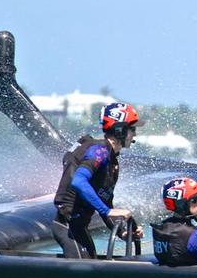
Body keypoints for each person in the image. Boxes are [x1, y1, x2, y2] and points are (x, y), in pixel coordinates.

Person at [52, 101, 143, 259]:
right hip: (67, 225)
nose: (134, 134)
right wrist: (107, 211)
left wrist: (122, 231)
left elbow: (105, 201)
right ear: (120, 130)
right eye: (132, 129)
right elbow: (79, 181)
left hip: (78, 227)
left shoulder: (111, 161)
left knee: (92, 261)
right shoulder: (99, 150)